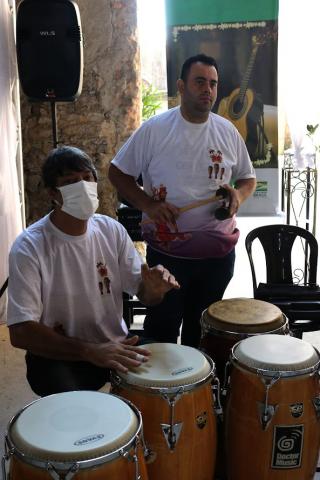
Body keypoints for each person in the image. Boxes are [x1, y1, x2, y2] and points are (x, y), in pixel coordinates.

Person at [108, 53, 256, 347]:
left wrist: (237, 195)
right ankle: (159, 393)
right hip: (167, 256)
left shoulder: (227, 130)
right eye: (200, 82)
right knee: (161, 330)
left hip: (217, 256)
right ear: (181, 86)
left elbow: (248, 178)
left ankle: (195, 393)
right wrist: (149, 205)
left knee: (202, 333)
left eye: (213, 84)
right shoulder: (155, 129)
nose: (208, 90)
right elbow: (117, 173)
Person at [7, 146, 180, 397]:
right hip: (60, 354)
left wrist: (154, 291)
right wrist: (89, 351)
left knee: (172, 373)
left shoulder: (111, 230)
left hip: (116, 344)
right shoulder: (30, 247)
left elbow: (145, 295)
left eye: (87, 178)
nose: (82, 186)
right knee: (78, 418)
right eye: (70, 182)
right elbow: (21, 332)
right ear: (53, 193)